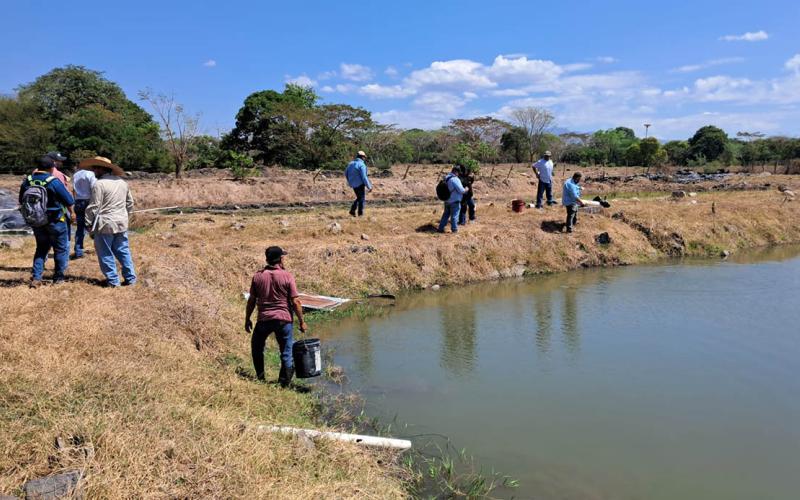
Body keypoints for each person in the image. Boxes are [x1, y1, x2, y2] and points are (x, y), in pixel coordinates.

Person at [245, 246, 307, 387]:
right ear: (280, 259)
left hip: (264, 320)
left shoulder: (258, 276)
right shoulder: (287, 276)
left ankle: (260, 378)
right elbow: (295, 301)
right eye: (283, 257)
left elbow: (251, 301)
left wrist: (247, 319)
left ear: (267, 259)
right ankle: (284, 384)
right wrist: (301, 321)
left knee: (256, 348)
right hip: (283, 320)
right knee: (286, 352)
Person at [19, 156, 76, 288]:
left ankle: (37, 277)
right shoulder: (53, 181)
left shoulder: (27, 181)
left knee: (41, 248)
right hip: (55, 220)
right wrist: (72, 212)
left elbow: (21, 200)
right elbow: (69, 200)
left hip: (37, 221)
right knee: (60, 249)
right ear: (52, 168)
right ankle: (58, 278)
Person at [82, 156, 136, 287]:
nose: (93, 171)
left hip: (105, 223)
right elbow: (130, 203)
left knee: (105, 252)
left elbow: (94, 206)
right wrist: (125, 215)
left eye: (95, 168)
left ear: (101, 169)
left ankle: (113, 281)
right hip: (121, 222)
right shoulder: (122, 183)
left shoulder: (99, 184)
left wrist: (88, 222)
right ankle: (131, 279)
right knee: (123, 250)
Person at [71, 162, 97, 259]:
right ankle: (98, 248)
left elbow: (73, 189)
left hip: (78, 201)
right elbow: (94, 188)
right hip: (88, 201)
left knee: (80, 228)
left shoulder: (76, 174)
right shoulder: (91, 174)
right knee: (95, 226)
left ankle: (78, 251)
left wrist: (75, 201)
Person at [437, 166, 468, 233]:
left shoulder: (446, 177)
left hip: (446, 200)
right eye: (458, 173)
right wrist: (466, 189)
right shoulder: (455, 179)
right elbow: (461, 190)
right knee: (454, 216)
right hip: (454, 201)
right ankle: (454, 230)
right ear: (456, 172)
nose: (458, 174)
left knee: (445, 215)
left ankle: (440, 228)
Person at [344, 150, 372, 217]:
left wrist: (349, 181)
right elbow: (364, 177)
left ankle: (353, 211)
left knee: (359, 198)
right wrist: (369, 186)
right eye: (364, 157)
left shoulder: (350, 164)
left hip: (353, 184)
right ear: (362, 157)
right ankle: (360, 214)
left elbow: (346, 173)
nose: (365, 158)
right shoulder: (362, 165)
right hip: (360, 184)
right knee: (361, 199)